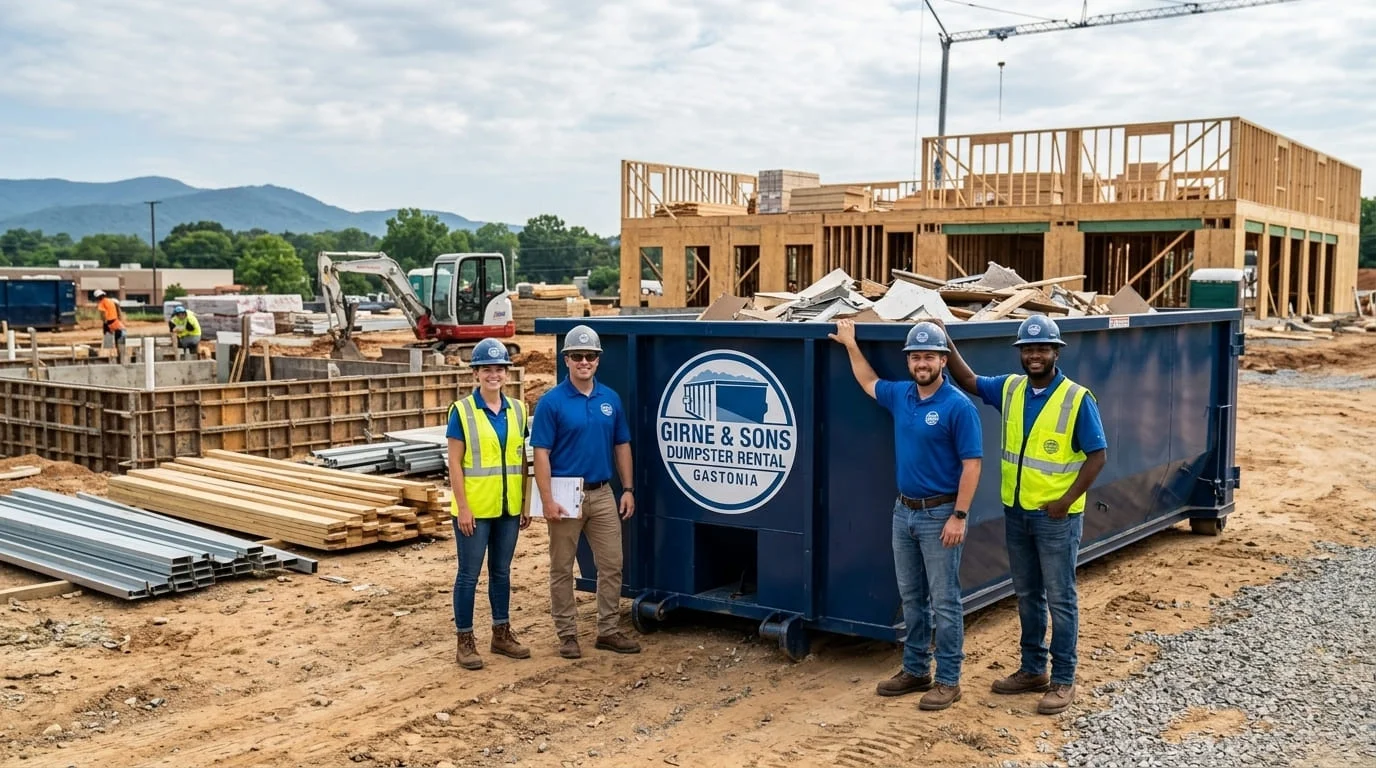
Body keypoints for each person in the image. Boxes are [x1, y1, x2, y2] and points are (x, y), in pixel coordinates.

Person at [939, 314, 1107, 715]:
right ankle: (1033, 669)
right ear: (1020, 353)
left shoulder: (1076, 398)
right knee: (1028, 594)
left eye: (1042, 348)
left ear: (1055, 352)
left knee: (1060, 598)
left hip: (1056, 520)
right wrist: (944, 338)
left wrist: (1065, 501)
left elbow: (1098, 456)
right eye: (1028, 349)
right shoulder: (1012, 389)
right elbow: (969, 381)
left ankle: (1063, 678)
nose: (1034, 355)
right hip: (1016, 515)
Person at [828, 318, 982, 712]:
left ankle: (949, 679)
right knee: (912, 597)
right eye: (915, 357)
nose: (921, 363)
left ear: (944, 360)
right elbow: (868, 382)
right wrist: (849, 344)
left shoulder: (958, 407)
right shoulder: (902, 396)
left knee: (945, 601)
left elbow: (972, 465)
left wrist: (959, 516)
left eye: (929, 356)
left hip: (941, 515)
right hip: (905, 512)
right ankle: (916, 669)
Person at [529, 324, 641, 659]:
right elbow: (541, 454)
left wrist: (628, 489)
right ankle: (567, 635)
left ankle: (607, 630)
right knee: (562, 567)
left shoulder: (610, 399)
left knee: (612, 563)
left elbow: (622, 444)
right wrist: (547, 499)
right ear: (566, 360)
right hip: (565, 495)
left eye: (590, 356)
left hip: (603, 492)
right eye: (577, 356)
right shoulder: (552, 403)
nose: (584, 361)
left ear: (597, 360)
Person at [446, 337, 532, 670]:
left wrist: (524, 503)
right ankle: (465, 641)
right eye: (487, 369)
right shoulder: (462, 411)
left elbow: (521, 460)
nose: (493, 375)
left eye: (499, 369)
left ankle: (501, 633)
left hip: (508, 509)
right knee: (468, 575)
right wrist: (463, 507)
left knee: (501, 573)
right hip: (475, 511)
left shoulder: (519, 410)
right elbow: (455, 463)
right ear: (476, 374)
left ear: (506, 374)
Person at [93, 289, 126, 360]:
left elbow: (103, 314)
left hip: (110, 323)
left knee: (108, 341)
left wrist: (105, 322)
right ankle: (120, 356)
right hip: (117, 324)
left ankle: (109, 356)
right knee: (120, 340)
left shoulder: (102, 303)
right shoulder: (111, 301)